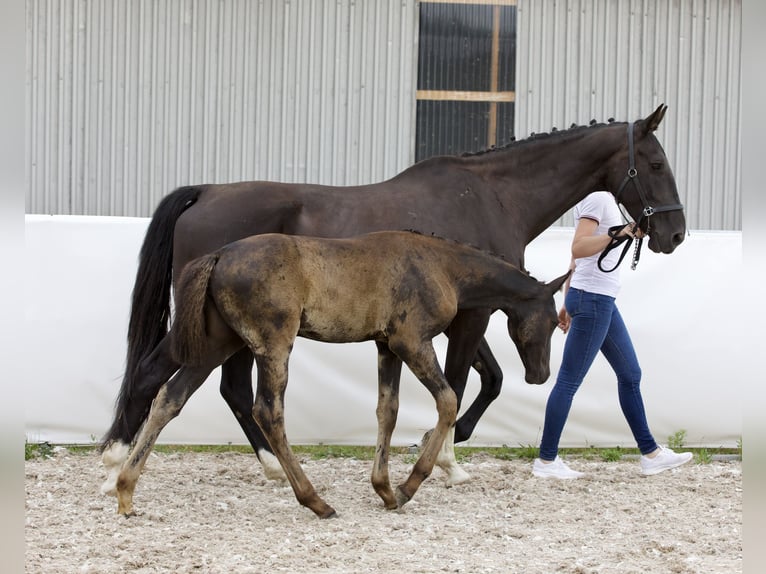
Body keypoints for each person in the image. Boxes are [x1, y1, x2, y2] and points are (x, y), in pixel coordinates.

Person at [532, 191, 692, 479]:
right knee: (569, 381)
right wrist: (624, 232)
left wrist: (568, 297)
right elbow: (579, 247)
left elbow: (575, 260)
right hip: (594, 300)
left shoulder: (604, 199)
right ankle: (546, 460)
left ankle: (651, 454)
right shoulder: (599, 198)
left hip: (598, 299)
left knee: (630, 374)